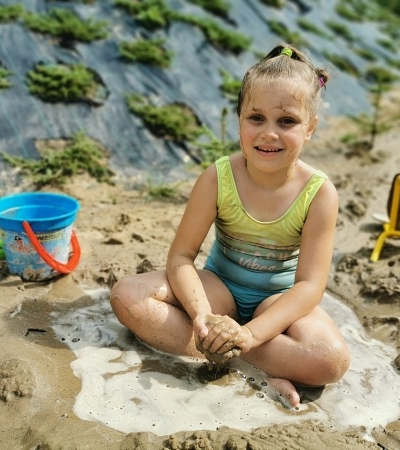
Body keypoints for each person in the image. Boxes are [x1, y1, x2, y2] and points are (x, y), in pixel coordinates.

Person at [110, 44, 350, 408]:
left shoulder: (319, 193)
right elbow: (181, 257)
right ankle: (229, 348)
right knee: (128, 296)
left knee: (331, 360)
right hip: (217, 290)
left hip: (276, 305)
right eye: (256, 118)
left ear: (310, 128)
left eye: (286, 121)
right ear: (240, 119)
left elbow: (309, 286)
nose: (269, 133)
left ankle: (232, 349)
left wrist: (250, 334)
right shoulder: (218, 177)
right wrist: (203, 317)